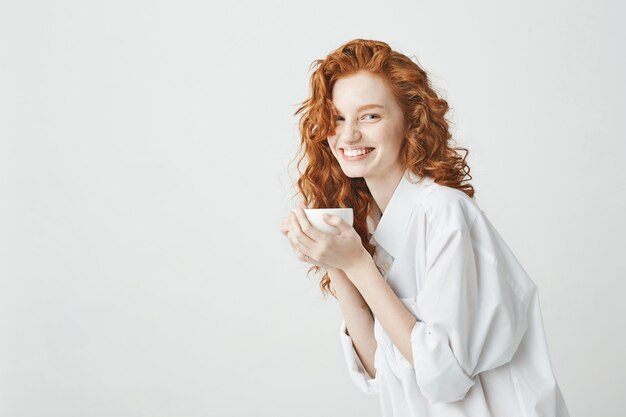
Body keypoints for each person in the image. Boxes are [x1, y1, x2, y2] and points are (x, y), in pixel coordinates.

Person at [279, 39, 570, 417]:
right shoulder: (372, 225)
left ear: (410, 121)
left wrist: (358, 266)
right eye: (337, 118)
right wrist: (335, 261)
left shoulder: (445, 214)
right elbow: (378, 372)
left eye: (369, 116)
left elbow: (446, 378)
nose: (348, 135)